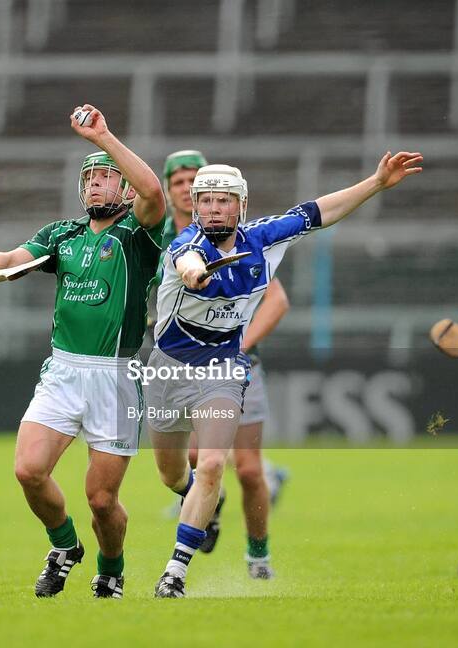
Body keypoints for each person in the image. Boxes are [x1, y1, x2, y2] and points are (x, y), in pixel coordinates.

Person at [148, 152, 423, 597]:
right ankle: (199, 498)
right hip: (168, 371)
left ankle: (174, 573)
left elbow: (320, 211)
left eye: (223, 201)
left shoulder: (264, 238)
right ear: (195, 207)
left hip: (223, 367)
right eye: (206, 201)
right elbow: (186, 263)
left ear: (240, 205)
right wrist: (195, 273)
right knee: (172, 474)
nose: (214, 209)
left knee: (214, 463)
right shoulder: (185, 243)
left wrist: (374, 183)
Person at [0, 104, 166, 599]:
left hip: (114, 376)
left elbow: (154, 191)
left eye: (106, 178)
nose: (95, 183)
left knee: (102, 500)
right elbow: (12, 259)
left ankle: (111, 570)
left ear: (124, 189)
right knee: (28, 470)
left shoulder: (138, 234)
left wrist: (104, 139)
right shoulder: (62, 235)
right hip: (63, 371)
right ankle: (65, 547)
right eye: (90, 177)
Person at [160, 150, 291, 578]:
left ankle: (258, 556)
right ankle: (206, 508)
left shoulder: (242, 239)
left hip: (234, 365)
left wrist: (237, 346)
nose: (188, 190)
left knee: (249, 469)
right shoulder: (160, 236)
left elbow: (276, 301)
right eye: (178, 182)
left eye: (193, 181)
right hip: (181, 364)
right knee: (196, 458)